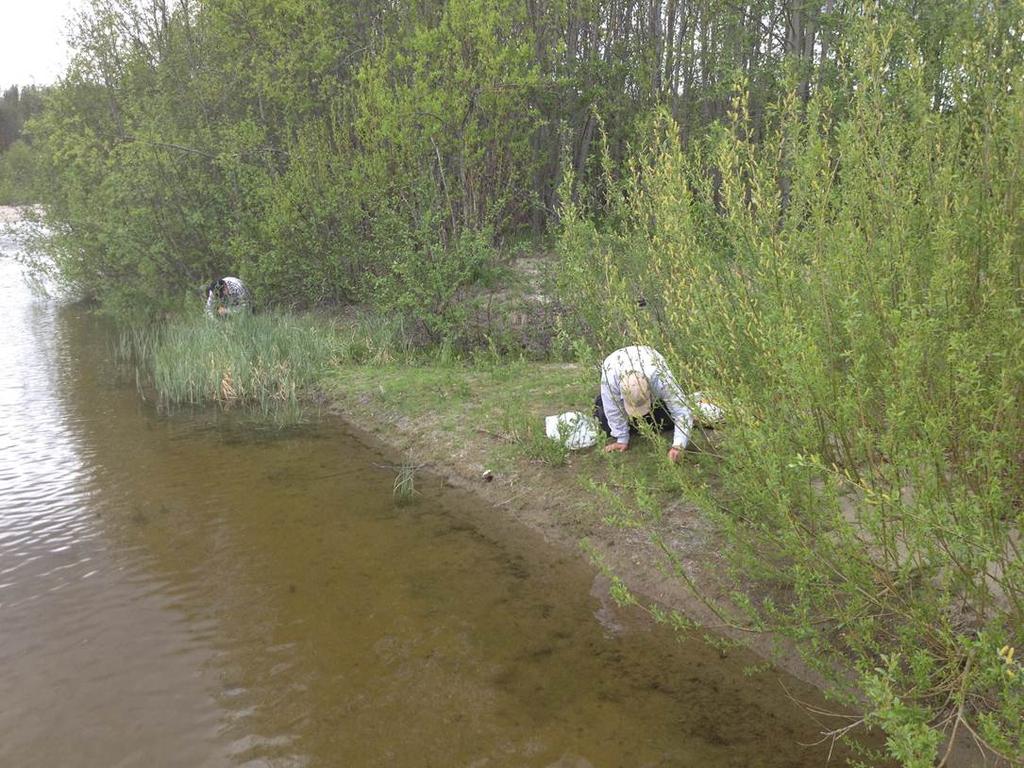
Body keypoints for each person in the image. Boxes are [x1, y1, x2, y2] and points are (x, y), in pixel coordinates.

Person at [594, 345, 692, 463]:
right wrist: (622, 439)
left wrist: (678, 445)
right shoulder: (610, 375)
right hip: (615, 369)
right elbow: (612, 408)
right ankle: (636, 426)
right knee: (604, 420)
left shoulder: (660, 376)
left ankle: (645, 421)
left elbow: (681, 411)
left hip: (652, 373)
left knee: (668, 419)